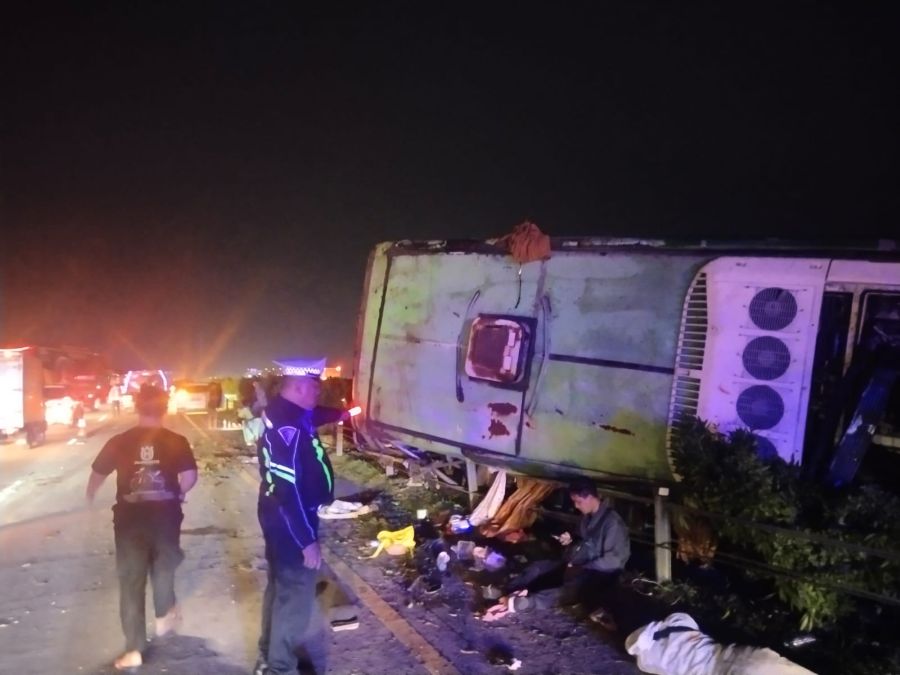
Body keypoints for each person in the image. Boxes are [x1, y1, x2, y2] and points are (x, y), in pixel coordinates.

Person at [85, 384, 198, 671]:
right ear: (165, 408)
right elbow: (190, 476)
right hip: (166, 516)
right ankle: (163, 613)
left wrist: (90, 497)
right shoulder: (176, 440)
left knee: (131, 581)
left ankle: (134, 649)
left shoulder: (120, 441)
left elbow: (98, 473)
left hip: (129, 519)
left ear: (137, 407)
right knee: (164, 565)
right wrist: (180, 493)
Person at [254, 371, 352, 675]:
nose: (317, 395)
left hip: (277, 516)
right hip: (289, 521)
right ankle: (279, 669)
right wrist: (306, 539)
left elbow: (319, 414)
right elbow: (287, 489)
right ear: (297, 388)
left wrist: (349, 413)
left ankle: (268, 655)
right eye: (313, 389)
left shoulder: (289, 413)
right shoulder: (288, 426)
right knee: (295, 595)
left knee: (280, 588)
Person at [483, 477, 630, 626]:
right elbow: (580, 539)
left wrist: (582, 567)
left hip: (598, 574)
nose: (576, 506)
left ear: (590, 497)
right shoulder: (587, 518)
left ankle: (523, 603)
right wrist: (570, 539)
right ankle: (507, 588)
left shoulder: (612, 524)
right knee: (539, 568)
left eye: (578, 501)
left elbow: (614, 561)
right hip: (576, 563)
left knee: (566, 591)